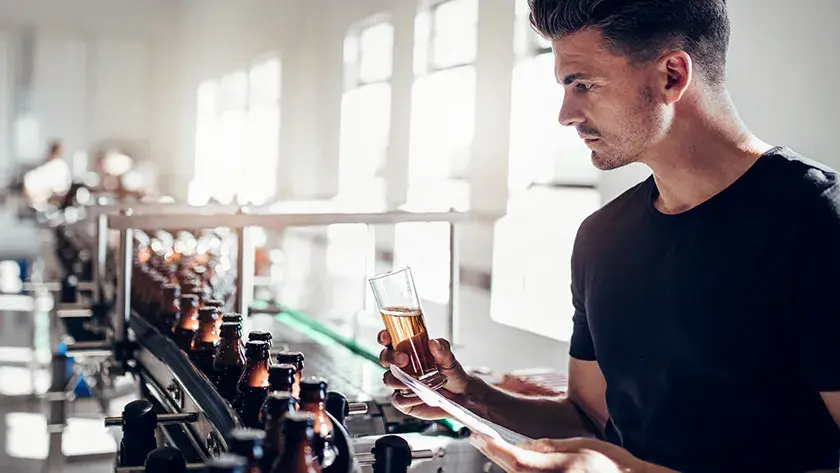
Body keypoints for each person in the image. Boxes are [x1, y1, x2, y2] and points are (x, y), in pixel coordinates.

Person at [378, 0, 840, 472]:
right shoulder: (602, 238)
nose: (566, 113)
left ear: (672, 76)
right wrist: (473, 397)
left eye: (583, 84)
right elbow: (590, 418)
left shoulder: (818, 220)